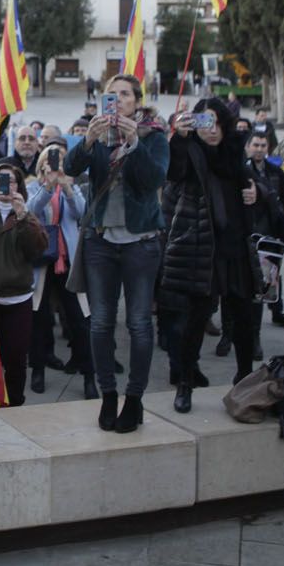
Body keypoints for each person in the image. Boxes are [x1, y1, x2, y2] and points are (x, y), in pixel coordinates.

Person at [64, 73, 169, 432]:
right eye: (112, 95)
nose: (119, 100)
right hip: (100, 242)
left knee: (139, 323)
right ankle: (108, 394)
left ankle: (135, 398)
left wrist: (134, 141)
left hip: (141, 243)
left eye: (125, 94)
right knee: (101, 321)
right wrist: (88, 141)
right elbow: (69, 169)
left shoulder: (154, 135)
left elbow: (153, 180)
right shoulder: (96, 134)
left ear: (137, 101)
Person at [165, 98, 259, 411]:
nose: (213, 130)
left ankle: (244, 380)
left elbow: (250, 183)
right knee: (196, 319)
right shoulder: (189, 150)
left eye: (218, 122)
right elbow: (174, 172)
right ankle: (185, 382)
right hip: (203, 247)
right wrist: (179, 136)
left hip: (236, 249)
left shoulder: (234, 149)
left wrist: (256, 191)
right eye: (206, 123)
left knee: (244, 319)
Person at [0, 158, 47, 408]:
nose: (6, 186)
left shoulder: (25, 214)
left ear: (19, 186)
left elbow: (37, 248)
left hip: (19, 298)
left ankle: (15, 401)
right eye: (1, 181)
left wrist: (22, 214)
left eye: (11, 181)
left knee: (15, 357)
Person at [26, 137, 94, 400]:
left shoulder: (71, 186)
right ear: (42, 166)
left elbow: (82, 213)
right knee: (40, 320)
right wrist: (48, 186)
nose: (55, 168)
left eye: (60, 163)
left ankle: (89, 373)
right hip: (42, 262)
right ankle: (38, 370)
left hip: (69, 262)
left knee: (79, 318)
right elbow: (32, 211)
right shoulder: (34, 188)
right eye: (50, 163)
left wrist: (66, 187)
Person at [243, 132, 284, 332]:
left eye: (263, 145)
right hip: (250, 231)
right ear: (248, 146)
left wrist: (283, 218)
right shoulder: (243, 170)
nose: (259, 149)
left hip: (271, 231)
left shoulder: (275, 171)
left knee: (273, 274)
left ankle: (277, 311)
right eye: (256, 144)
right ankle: (245, 332)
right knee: (254, 280)